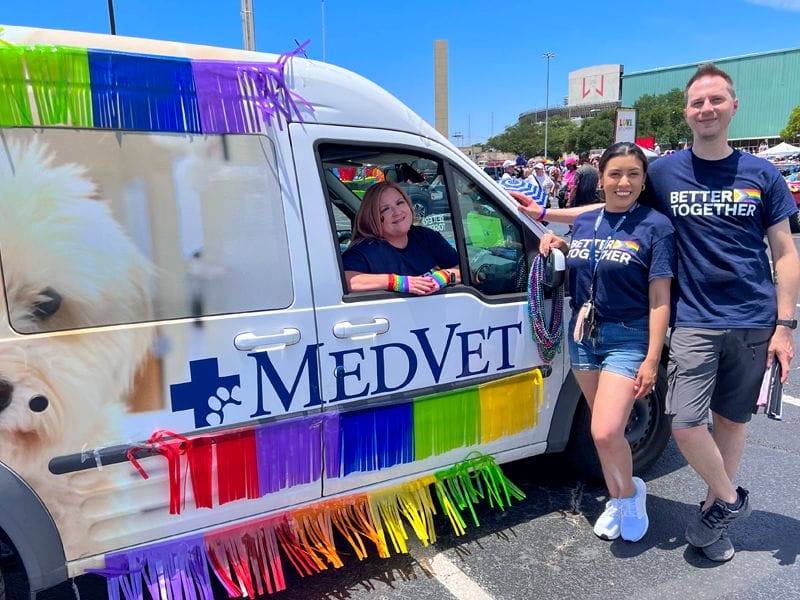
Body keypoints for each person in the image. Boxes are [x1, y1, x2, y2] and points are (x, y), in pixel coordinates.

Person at [515, 63, 800, 562]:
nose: (706, 109)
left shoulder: (764, 173)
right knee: (687, 422)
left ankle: (715, 519)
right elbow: (611, 206)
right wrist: (545, 216)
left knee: (731, 423)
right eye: (697, 102)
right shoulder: (665, 172)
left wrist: (785, 324)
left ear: (734, 106)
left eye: (716, 100)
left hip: (754, 318)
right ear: (688, 112)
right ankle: (733, 502)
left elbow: (785, 252)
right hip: (692, 317)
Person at [539, 142, 675, 544]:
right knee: (606, 430)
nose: (624, 182)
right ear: (600, 179)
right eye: (615, 173)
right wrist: (557, 244)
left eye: (633, 174)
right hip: (583, 337)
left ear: (643, 180)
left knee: (604, 430)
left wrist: (652, 358)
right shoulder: (585, 223)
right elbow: (583, 254)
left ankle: (631, 493)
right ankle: (617, 497)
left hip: (628, 337)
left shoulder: (655, 226)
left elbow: (660, 297)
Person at [341, 181, 460, 294]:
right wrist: (399, 283)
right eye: (385, 209)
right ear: (373, 217)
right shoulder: (365, 251)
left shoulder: (426, 236)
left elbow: (462, 268)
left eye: (400, 203)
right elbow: (344, 280)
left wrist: (443, 277)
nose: (397, 212)